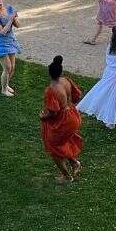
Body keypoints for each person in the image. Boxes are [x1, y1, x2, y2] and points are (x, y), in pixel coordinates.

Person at [40, 55, 84, 183]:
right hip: (73, 115)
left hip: (64, 121)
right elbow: (77, 95)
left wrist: (43, 115)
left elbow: (53, 112)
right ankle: (74, 163)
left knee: (53, 147)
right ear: (61, 72)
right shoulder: (66, 81)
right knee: (64, 141)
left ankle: (66, 176)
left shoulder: (50, 91)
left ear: (49, 74)